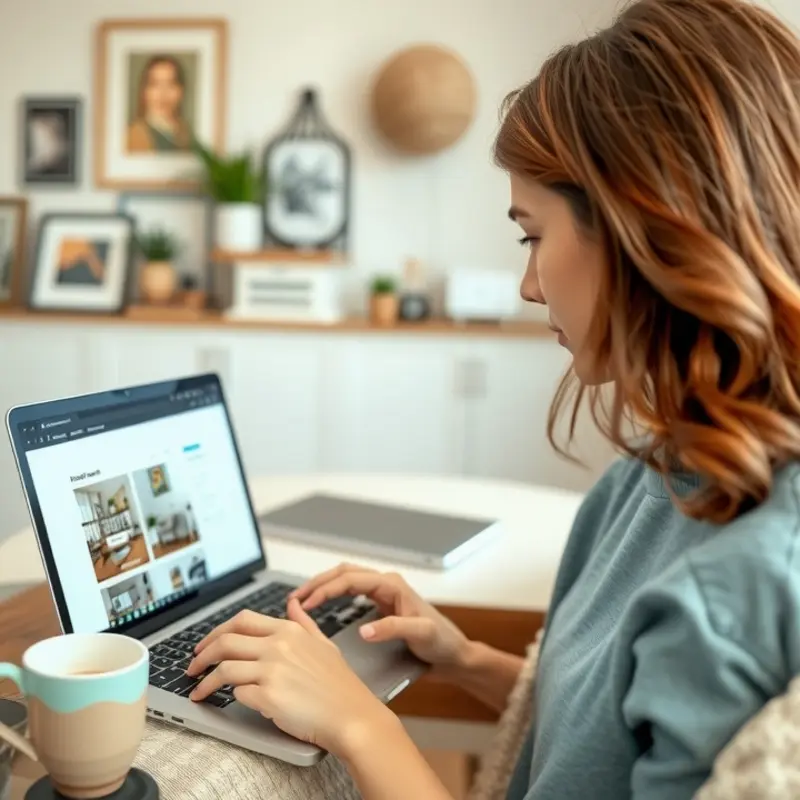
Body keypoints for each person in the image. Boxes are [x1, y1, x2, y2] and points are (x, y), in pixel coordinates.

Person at [186, 0, 800, 796]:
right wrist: (459, 656)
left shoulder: (743, 587)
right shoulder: (642, 486)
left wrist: (360, 725)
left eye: (532, 234)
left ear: (646, 228)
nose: (528, 285)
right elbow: (607, 737)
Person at [126, 54, 192, 153]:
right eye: (155, 84)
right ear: (144, 91)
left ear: (181, 91)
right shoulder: (135, 134)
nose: (163, 94)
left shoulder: (186, 132)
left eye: (171, 84)